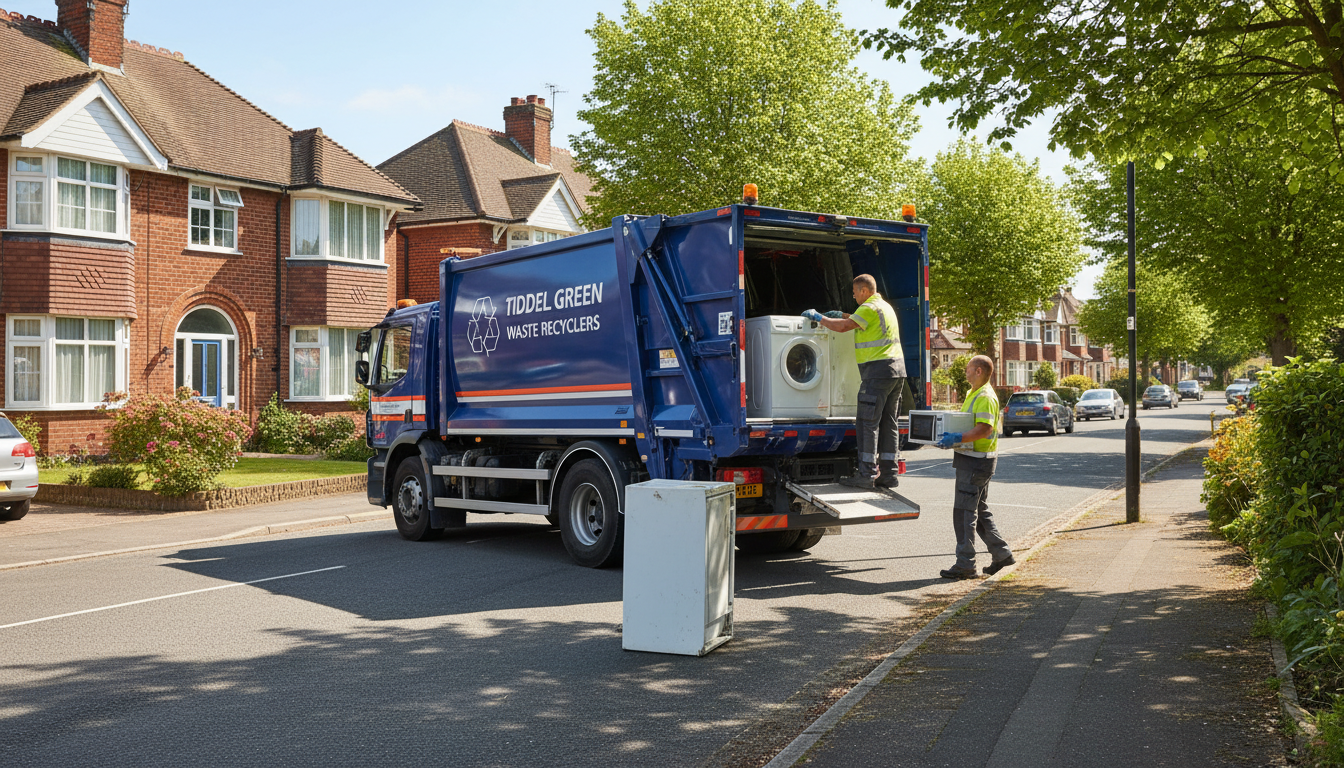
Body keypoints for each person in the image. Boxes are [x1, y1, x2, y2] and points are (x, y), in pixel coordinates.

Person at [802, 274, 905, 490]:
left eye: (855, 292)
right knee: (889, 423)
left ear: (864, 291)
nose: (854, 296)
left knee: (867, 423)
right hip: (896, 372)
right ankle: (889, 474)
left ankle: (866, 475)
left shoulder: (868, 307)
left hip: (877, 371)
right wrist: (842, 315)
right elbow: (859, 322)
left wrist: (819, 317)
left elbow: (843, 327)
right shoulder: (883, 307)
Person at [935, 354, 1014, 579]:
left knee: (963, 512)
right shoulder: (975, 393)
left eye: (968, 369)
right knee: (978, 510)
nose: (966, 372)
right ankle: (1001, 554)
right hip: (976, 459)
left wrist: (957, 438)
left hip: (976, 461)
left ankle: (965, 564)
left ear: (978, 371)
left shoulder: (985, 396)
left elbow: (984, 429)